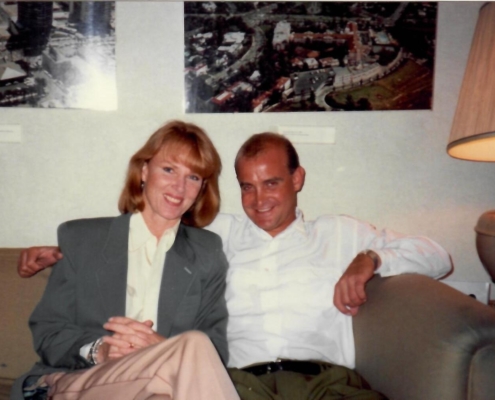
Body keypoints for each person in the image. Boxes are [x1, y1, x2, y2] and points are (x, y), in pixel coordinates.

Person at [19, 132, 452, 399]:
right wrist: (61, 249)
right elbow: (138, 227)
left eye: (272, 183)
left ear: (297, 179)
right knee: (192, 347)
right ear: (145, 170)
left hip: (328, 382)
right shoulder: (219, 237)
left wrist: (371, 258)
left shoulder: (341, 232)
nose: (258, 199)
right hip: (246, 386)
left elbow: (436, 254)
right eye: (247, 186)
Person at [12, 120, 240, 400]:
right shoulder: (82, 238)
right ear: (144, 170)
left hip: (156, 387)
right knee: (192, 344)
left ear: (202, 188)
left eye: (193, 177)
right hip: (80, 380)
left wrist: (161, 349)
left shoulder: (207, 253)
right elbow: (48, 332)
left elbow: (214, 349)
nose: (179, 187)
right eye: (169, 169)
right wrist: (100, 350)